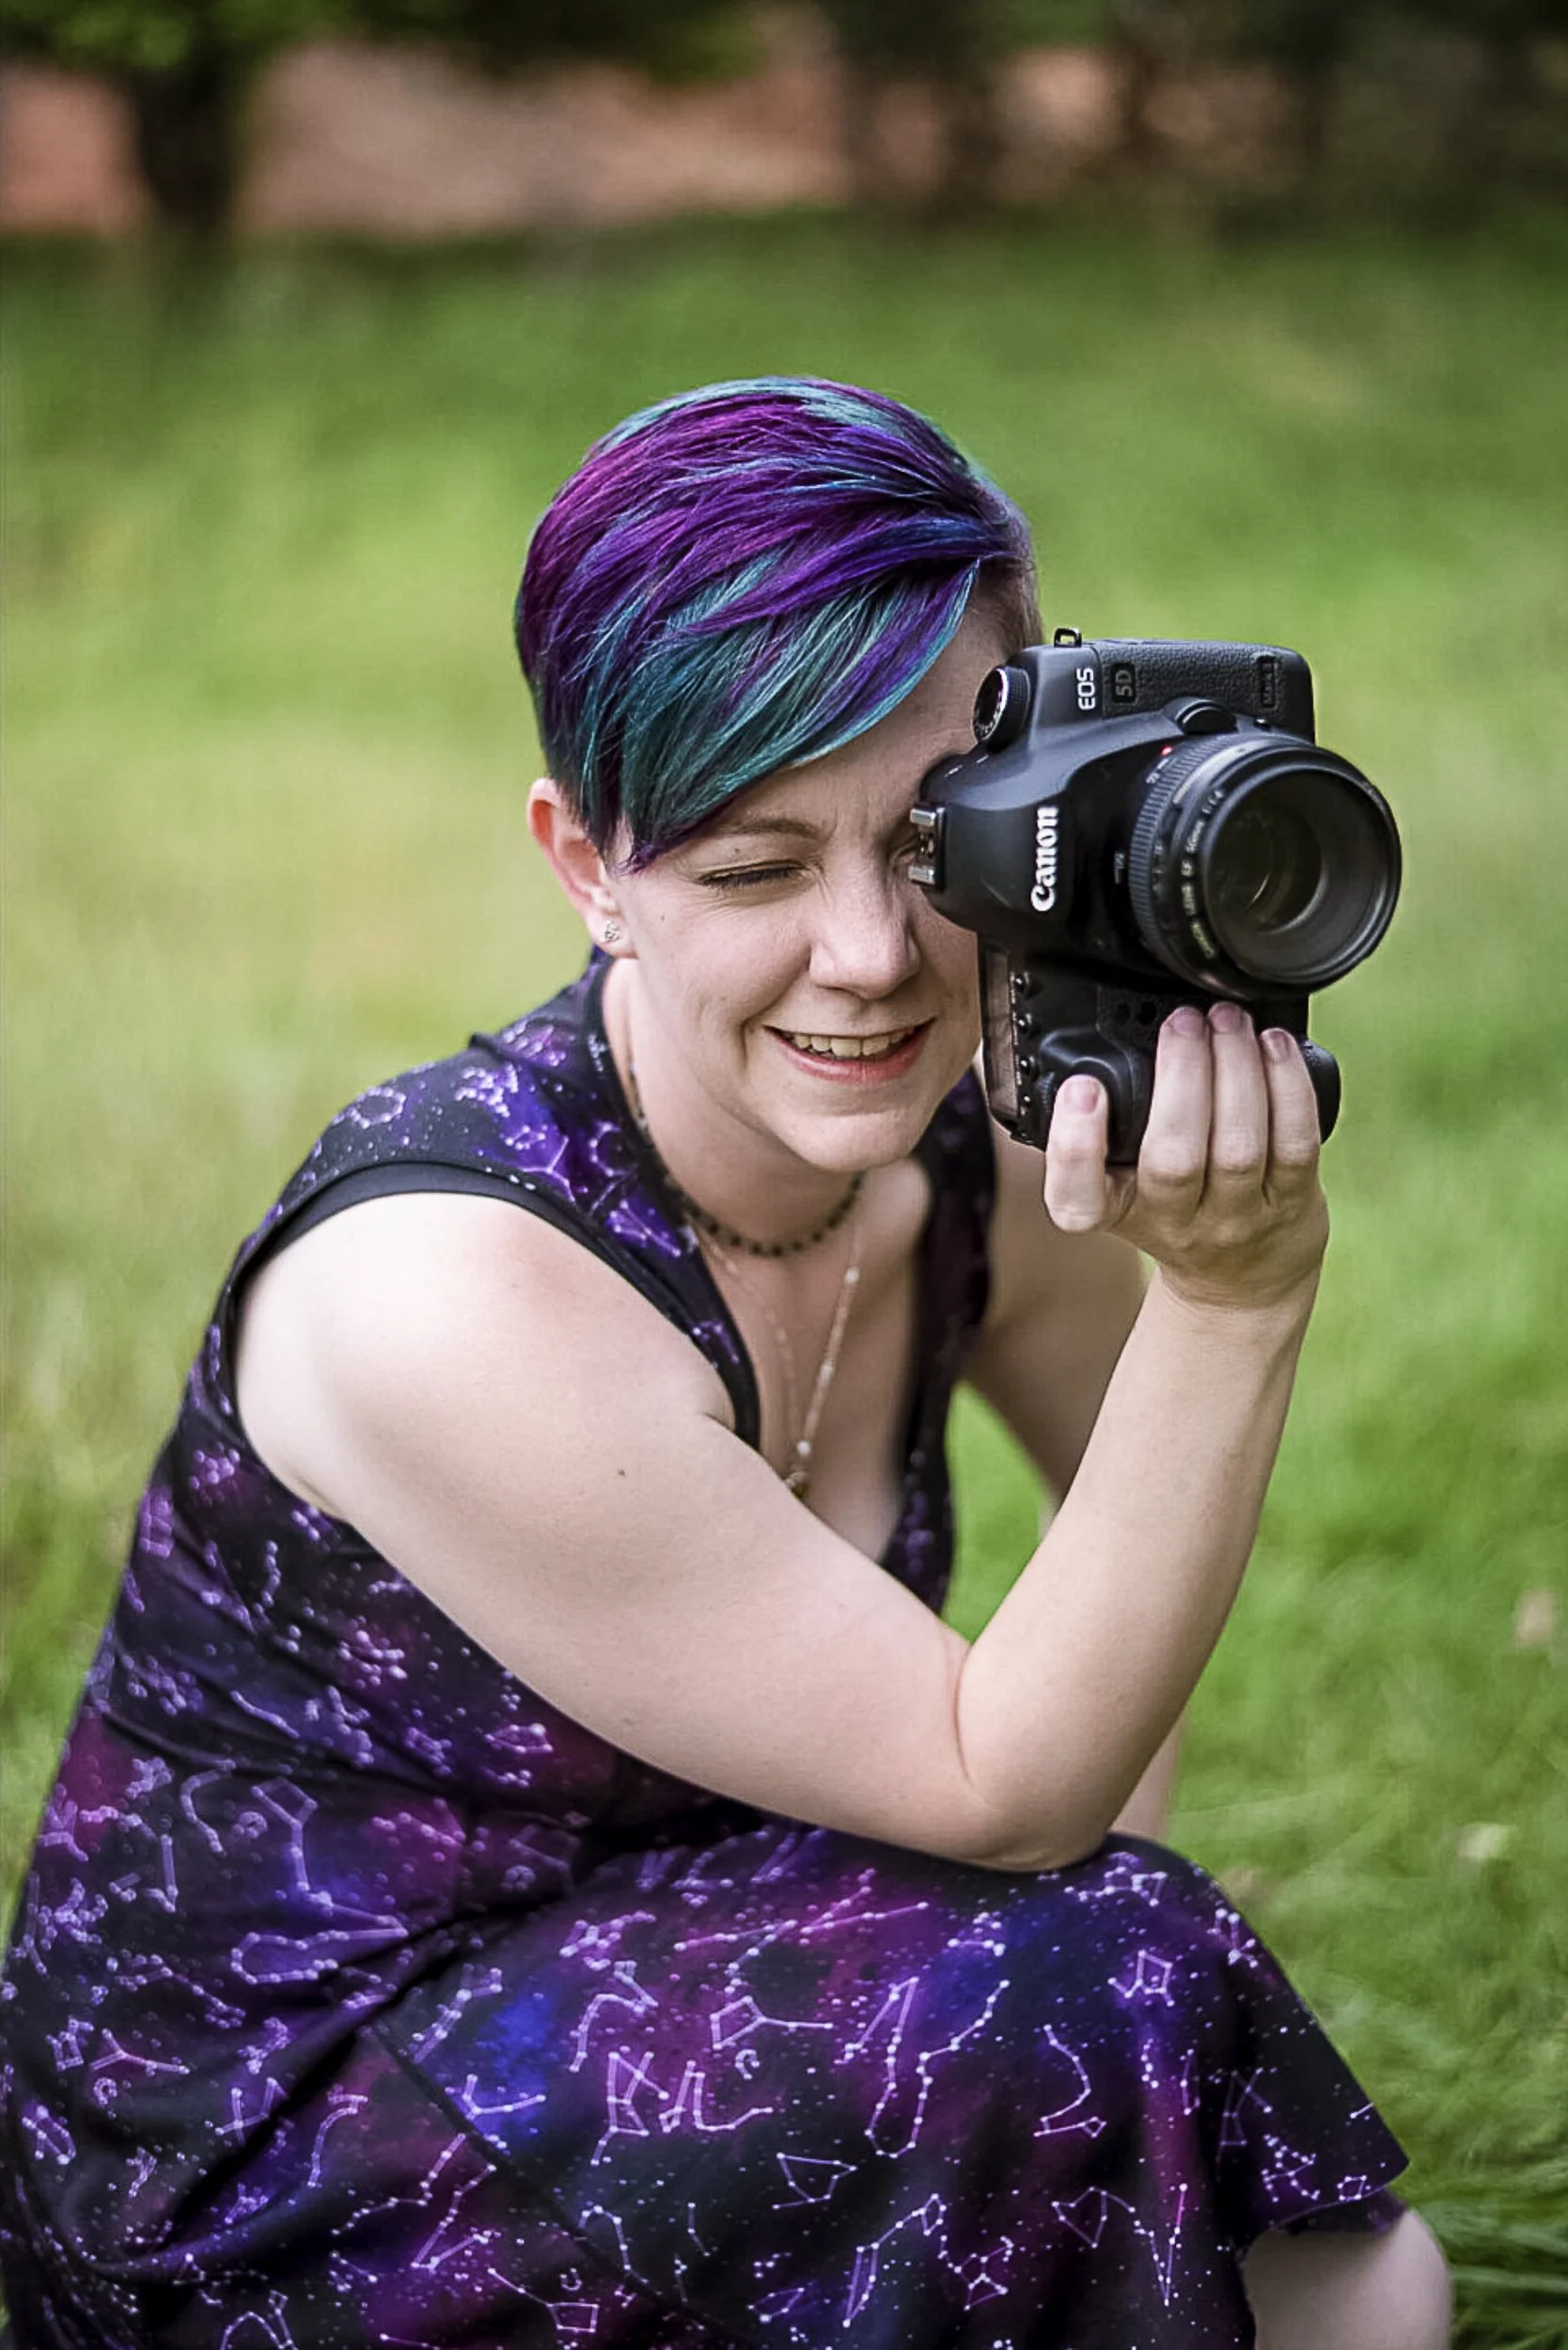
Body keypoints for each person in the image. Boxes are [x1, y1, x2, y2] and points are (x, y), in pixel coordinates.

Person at [0, 378, 1450, 2349]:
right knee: (1120, 1981)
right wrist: (1238, 1298)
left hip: (670, 2017)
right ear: (587, 860)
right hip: (266, 2169)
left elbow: (1120, 1618)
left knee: (1358, 2276)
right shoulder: (448, 1287)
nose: (867, 956)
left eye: (932, 843)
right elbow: (1011, 1783)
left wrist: (1025, 2030)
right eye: (754, 870)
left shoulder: (980, 1140)